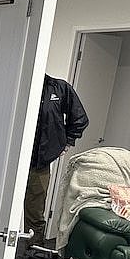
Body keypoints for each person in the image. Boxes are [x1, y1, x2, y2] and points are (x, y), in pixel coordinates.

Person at [25, 74, 88, 244]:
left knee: (35, 212)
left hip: (39, 164)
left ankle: (34, 255)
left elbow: (80, 118)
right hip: (9, 161)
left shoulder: (58, 88)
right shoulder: (18, 83)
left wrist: (67, 142)